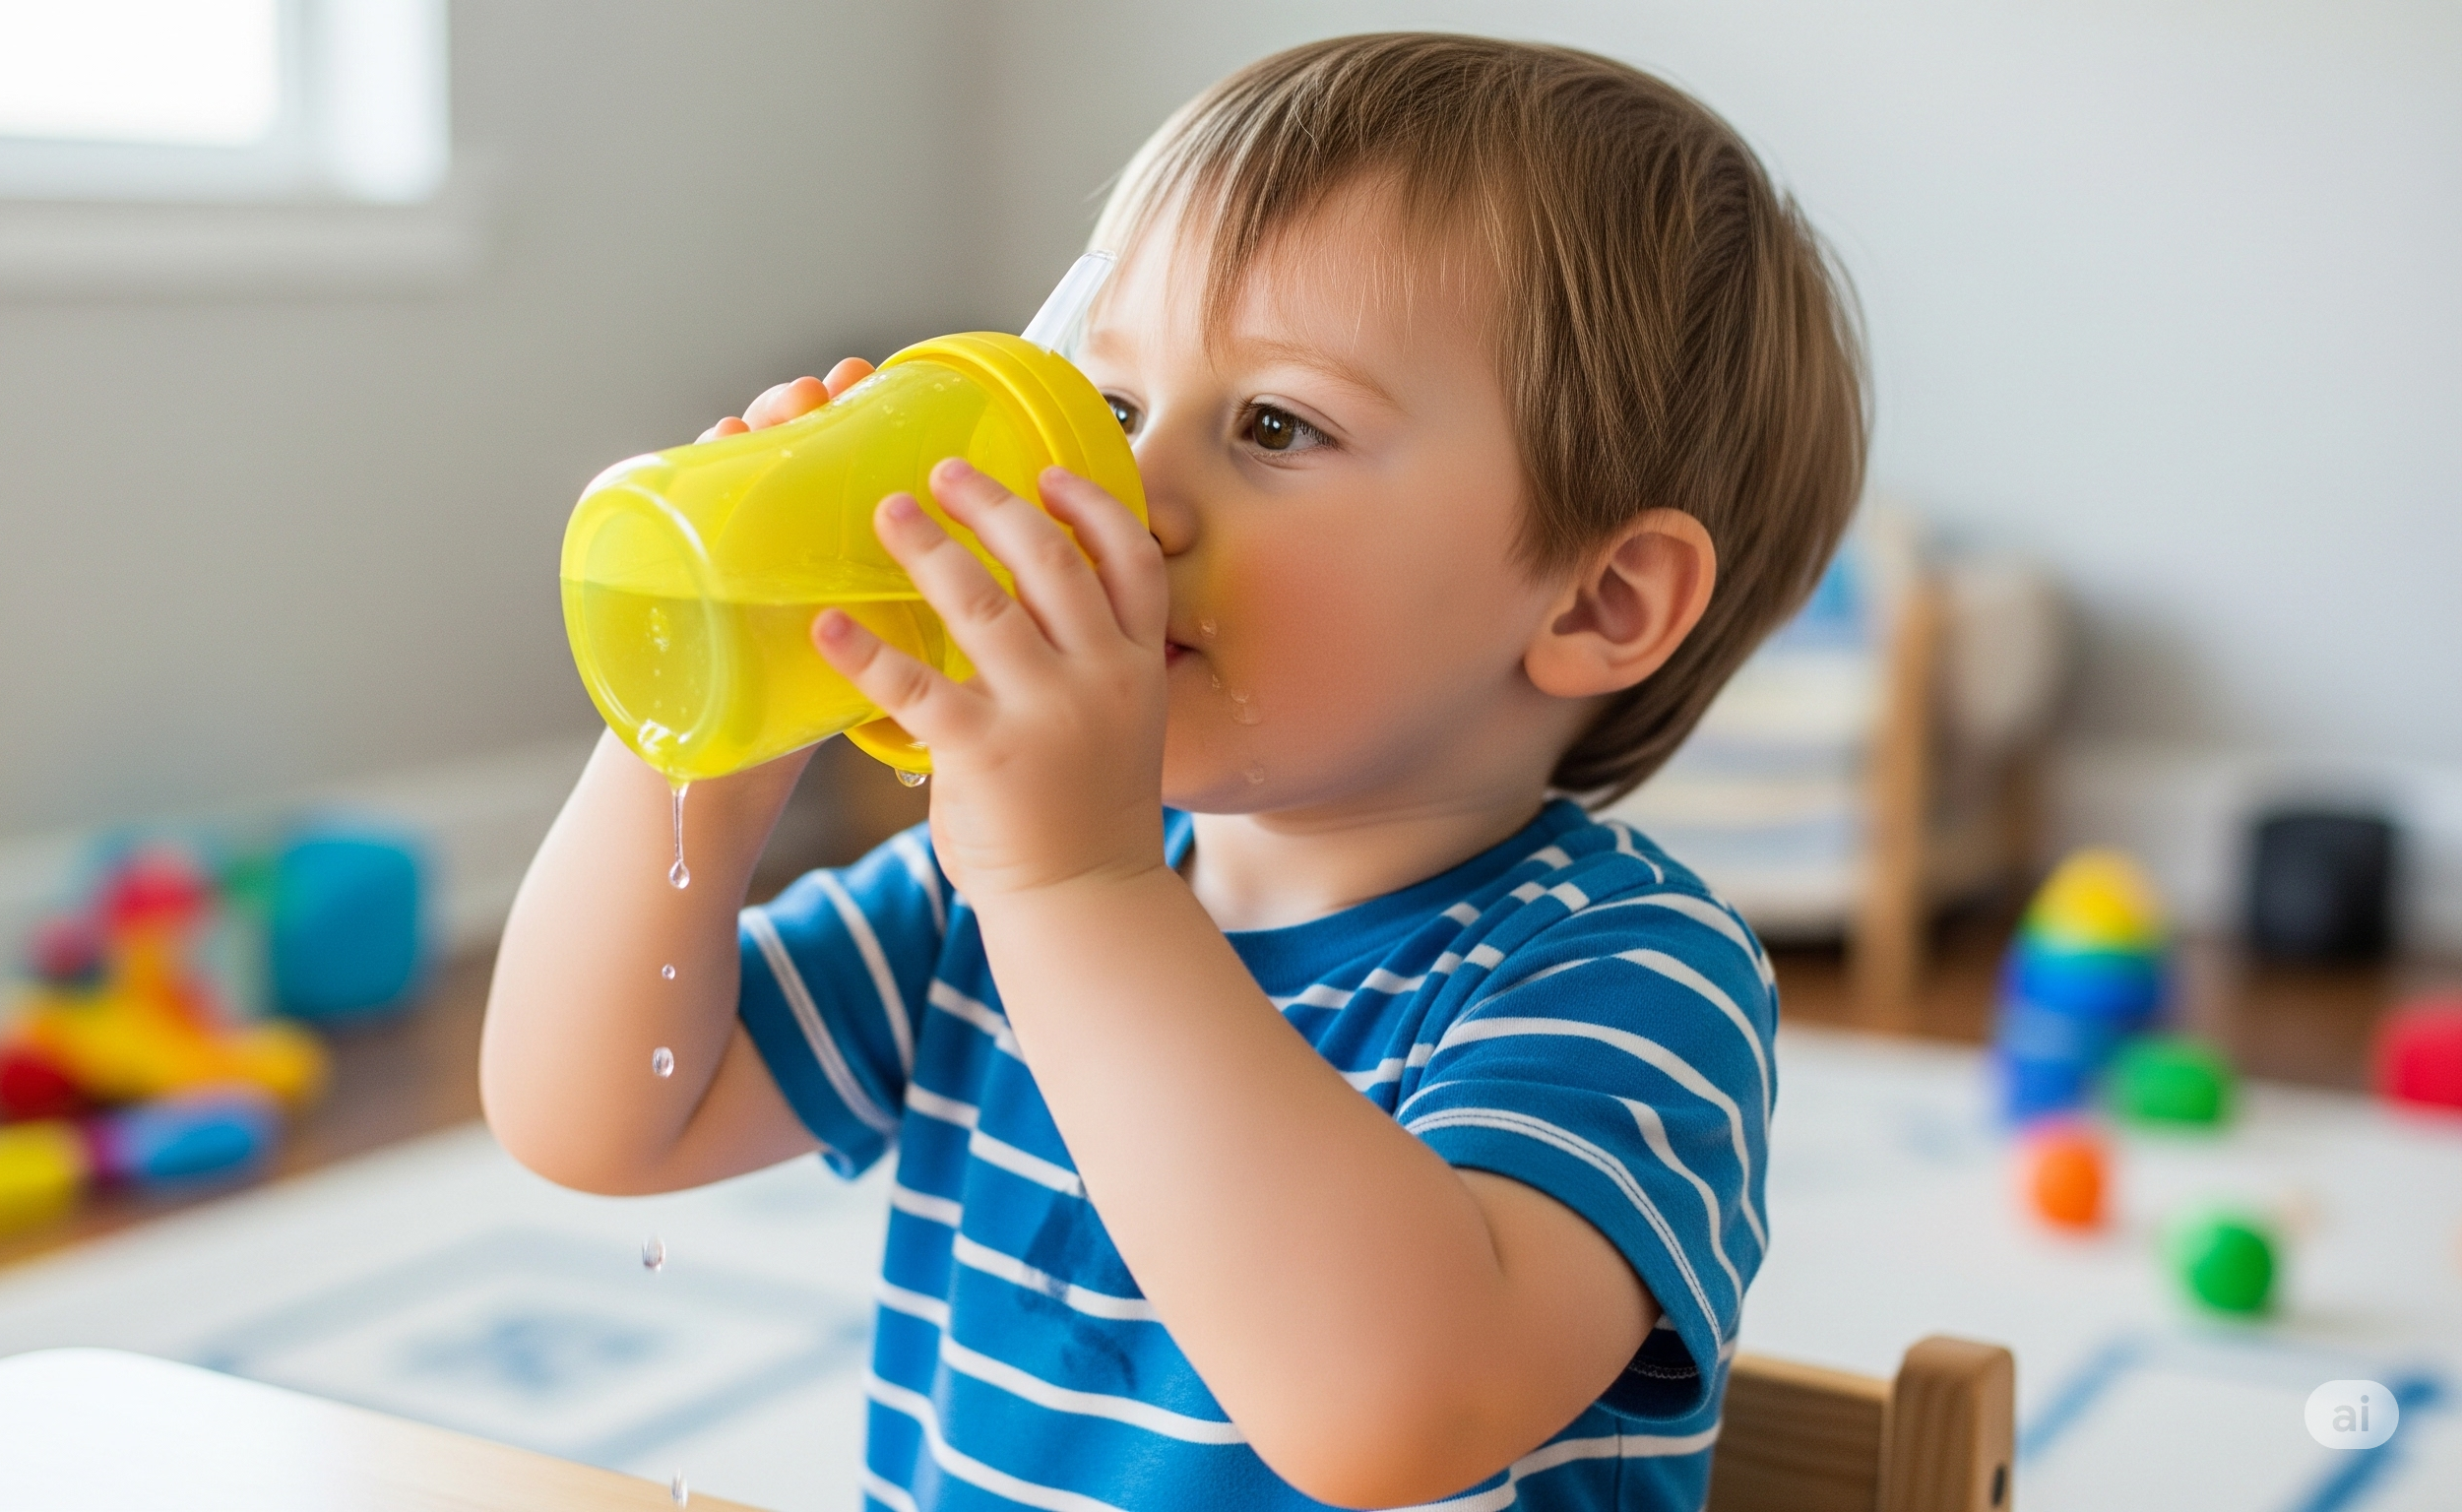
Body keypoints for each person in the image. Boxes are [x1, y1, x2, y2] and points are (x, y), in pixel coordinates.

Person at [483, 32, 1863, 1511]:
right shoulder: (973, 903)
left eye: (1278, 424)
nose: (1122, 494)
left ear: (1596, 603)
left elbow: (1388, 1413)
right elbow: (602, 1116)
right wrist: (708, 733)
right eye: (1117, 406)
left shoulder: (1629, 977)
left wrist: (1076, 882)